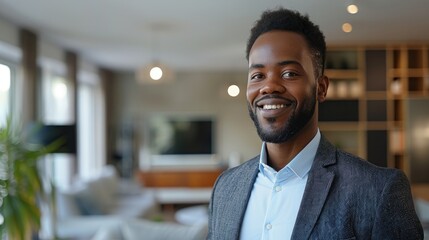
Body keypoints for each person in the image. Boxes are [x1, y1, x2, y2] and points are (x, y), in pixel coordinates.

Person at [207, 8, 423, 240]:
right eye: (257, 76)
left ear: (321, 88)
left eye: (289, 73)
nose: (268, 87)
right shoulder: (225, 188)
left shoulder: (379, 190)